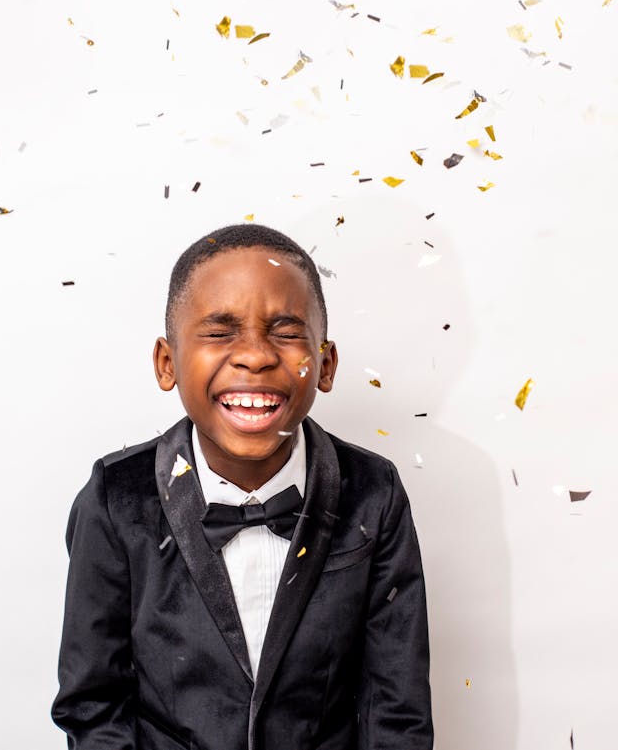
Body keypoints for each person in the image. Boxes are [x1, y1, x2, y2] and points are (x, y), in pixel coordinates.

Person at [51, 223, 433, 750]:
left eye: (285, 330)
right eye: (219, 331)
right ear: (167, 363)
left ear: (325, 364)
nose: (255, 355)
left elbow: (397, 708)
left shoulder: (374, 491)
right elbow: (94, 706)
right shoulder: (116, 498)